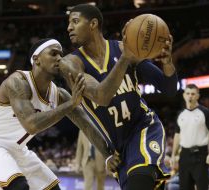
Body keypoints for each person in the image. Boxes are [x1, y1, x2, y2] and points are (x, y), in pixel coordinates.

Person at [56, 4, 177, 190]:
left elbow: (168, 89)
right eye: (68, 23)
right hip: (120, 149)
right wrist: (125, 58)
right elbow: (101, 96)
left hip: (144, 128)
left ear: (93, 24)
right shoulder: (70, 64)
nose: (68, 28)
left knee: (140, 181)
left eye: (75, 21)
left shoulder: (123, 48)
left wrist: (168, 63)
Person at [0, 38, 112, 190]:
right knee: (18, 187)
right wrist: (71, 104)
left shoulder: (60, 95)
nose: (59, 58)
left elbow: (87, 126)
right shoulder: (17, 82)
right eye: (53, 53)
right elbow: (31, 125)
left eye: (61, 54)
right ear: (36, 59)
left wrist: (110, 156)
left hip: (17, 149)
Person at [171, 84, 209, 190]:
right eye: (187, 93)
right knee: (185, 187)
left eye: (193, 94)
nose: (190, 96)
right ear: (183, 95)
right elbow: (177, 135)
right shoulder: (180, 114)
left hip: (200, 155)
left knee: (202, 187)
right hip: (184, 155)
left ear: (198, 96)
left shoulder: (205, 112)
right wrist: (173, 155)